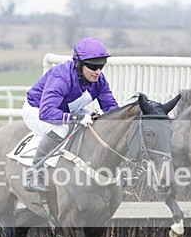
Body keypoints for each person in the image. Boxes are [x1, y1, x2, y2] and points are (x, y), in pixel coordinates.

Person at [22, 37, 120, 192]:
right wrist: (76, 118)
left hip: (66, 110)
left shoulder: (99, 80)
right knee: (61, 129)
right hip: (37, 109)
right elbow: (46, 112)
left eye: (102, 66)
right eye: (93, 66)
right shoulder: (62, 77)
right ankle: (33, 174)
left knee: (95, 122)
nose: (98, 72)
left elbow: (112, 109)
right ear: (78, 63)